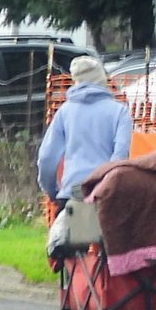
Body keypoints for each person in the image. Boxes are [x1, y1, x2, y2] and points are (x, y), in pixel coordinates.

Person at [38, 55, 133, 207]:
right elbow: (120, 157)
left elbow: (46, 158)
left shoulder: (64, 112)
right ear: (103, 79)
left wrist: (52, 191)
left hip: (72, 194)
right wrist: (106, 186)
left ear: (76, 81)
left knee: (63, 231)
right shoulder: (120, 112)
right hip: (107, 197)